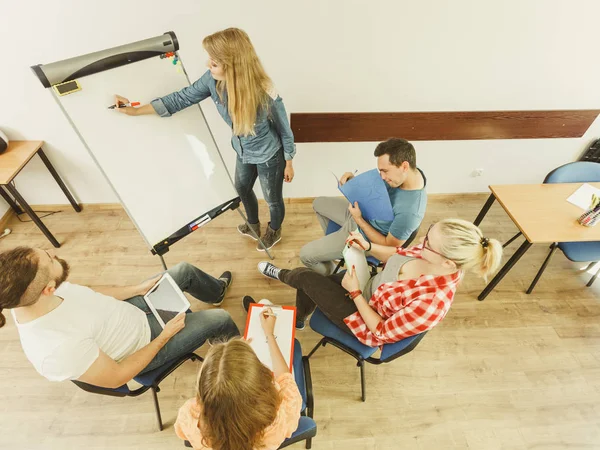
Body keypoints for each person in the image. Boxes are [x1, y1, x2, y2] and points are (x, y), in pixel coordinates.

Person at [114, 27, 296, 251]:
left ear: (233, 65)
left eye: (214, 62)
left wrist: (289, 161)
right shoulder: (212, 80)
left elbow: (284, 129)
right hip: (242, 152)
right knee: (241, 187)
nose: (208, 65)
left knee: (273, 199)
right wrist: (136, 110)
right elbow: (182, 98)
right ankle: (253, 224)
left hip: (270, 157)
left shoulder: (264, 90)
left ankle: (275, 230)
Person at [0, 247, 239, 387]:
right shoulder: (54, 350)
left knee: (184, 271)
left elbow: (90, 295)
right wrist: (164, 336)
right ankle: (244, 366)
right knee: (220, 319)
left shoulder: (33, 291)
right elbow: (117, 377)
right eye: (50, 259)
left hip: (134, 310)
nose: (53, 253)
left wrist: (136, 290)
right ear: (48, 289)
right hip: (145, 345)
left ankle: (216, 291)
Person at [251, 219, 502, 341]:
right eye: (427, 235)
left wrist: (356, 294)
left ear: (447, 263)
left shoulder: (431, 304)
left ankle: (282, 275)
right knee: (312, 282)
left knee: (307, 277)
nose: (421, 242)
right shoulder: (431, 254)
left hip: (364, 316)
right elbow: (398, 254)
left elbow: (381, 331)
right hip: (368, 284)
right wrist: (368, 246)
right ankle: (300, 318)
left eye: (428, 243)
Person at [174, 306, 302, 450]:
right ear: (263, 379)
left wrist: (236, 357)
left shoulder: (189, 416)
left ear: (203, 388)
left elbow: (182, 433)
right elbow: (286, 378)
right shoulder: (280, 416)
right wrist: (269, 335)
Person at [300, 138, 427, 275]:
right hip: (364, 213)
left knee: (306, 256)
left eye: (385, 171)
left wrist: (359, 219)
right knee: (318, 203)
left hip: (362, 234)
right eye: (380, 172)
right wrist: (353, 182)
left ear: (404, 166)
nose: (382, 177)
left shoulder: (410, 213)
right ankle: (336, 252)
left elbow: (388, 245)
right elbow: (378, 189)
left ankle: (334, 276)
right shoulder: (412, 173)